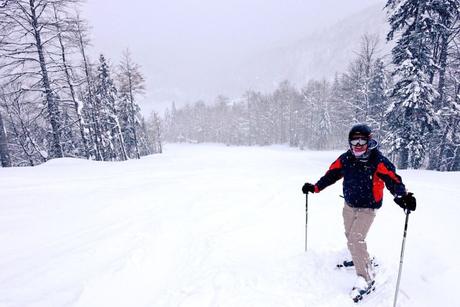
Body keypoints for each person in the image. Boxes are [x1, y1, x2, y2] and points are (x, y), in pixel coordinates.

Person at [301, 124, 416, 297]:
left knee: (355, 239)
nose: (358, 144)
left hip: (368, 208)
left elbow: (394, 181)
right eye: (355, 140)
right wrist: (316, 187)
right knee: (350, 236)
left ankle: (366, 277)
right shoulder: (346, 159)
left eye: (362, 140)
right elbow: (331, 175)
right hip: (349, 205)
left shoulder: (378, 161)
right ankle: (360, 258)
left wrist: (403, 196)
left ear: (369, 141)